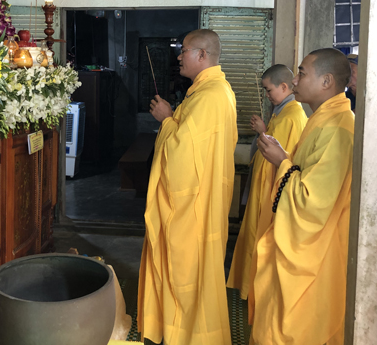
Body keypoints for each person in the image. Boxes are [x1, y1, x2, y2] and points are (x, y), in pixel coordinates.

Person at [138, 29, 238, 345]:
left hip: (194, 206)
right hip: (202, 199)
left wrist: (166, 120)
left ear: (202, 55)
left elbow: (182, 154)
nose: (179, 56)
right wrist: (171, 119)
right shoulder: (210, 91)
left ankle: (190, 334)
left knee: (187, 271)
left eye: (184, 50)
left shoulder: (210, 96)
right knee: (194, 271)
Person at [249, 48, 354, 345]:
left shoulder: (338, 128)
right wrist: (284, 159)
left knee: (295, 329)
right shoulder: (322, 119)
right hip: (302, 243)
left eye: (302, 73)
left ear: (326, 81)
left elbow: (311, 201)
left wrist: (282, 162)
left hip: (316, 252)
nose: (295, 80)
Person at [227, 64, 307, 299]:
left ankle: (255, 292)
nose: (267, 95)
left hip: (271, 193)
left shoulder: (291, 117)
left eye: (269, 90)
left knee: (261, 241)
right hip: (264, 189)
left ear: (284, 87)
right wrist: (263, 131)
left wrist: (264, 133)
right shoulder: (281, 113)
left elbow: (281, 160)